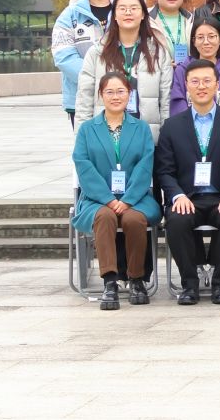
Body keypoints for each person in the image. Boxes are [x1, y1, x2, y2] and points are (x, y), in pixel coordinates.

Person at [154, 59, 220, 305]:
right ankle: (189, 284)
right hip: (188, 196)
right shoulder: (172, 126)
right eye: (195, 81)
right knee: (177, 220)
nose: (201, 86)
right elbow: (165, 170)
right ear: (186, 86)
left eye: (207, 81)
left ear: (217, 85)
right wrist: (177, 195)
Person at [73, 70, 161, 309]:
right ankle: (110, 282)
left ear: (129, 94)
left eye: (120, 91)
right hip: (97, 200)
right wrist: (109, 200)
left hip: (137, 198)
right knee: (105, 217)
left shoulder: (141, 128)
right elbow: (83, 166)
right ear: (100, 95)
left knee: (134, 219)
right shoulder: (87, 129)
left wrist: (128, 199)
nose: (115, 97)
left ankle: (136, 280)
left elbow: (145, 165)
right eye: (109, 92)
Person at [76, 0, 172, 127]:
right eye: (122, 8)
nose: (128, 12)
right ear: (114, 15)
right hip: (105, 134)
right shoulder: (96, 53)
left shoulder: (158, 53)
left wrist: (166, 135)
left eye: (134, 8)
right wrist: (82, 135)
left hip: (146, 133)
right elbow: (84, 99)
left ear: (143, 14)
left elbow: (166, 101)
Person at [53, 0, 118, 123]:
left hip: (121, 96)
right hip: (81, 97)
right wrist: (99, 79)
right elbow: (63, 57)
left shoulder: (127, 9)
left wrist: (115, 83)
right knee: (87, 140)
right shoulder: (69, 15)